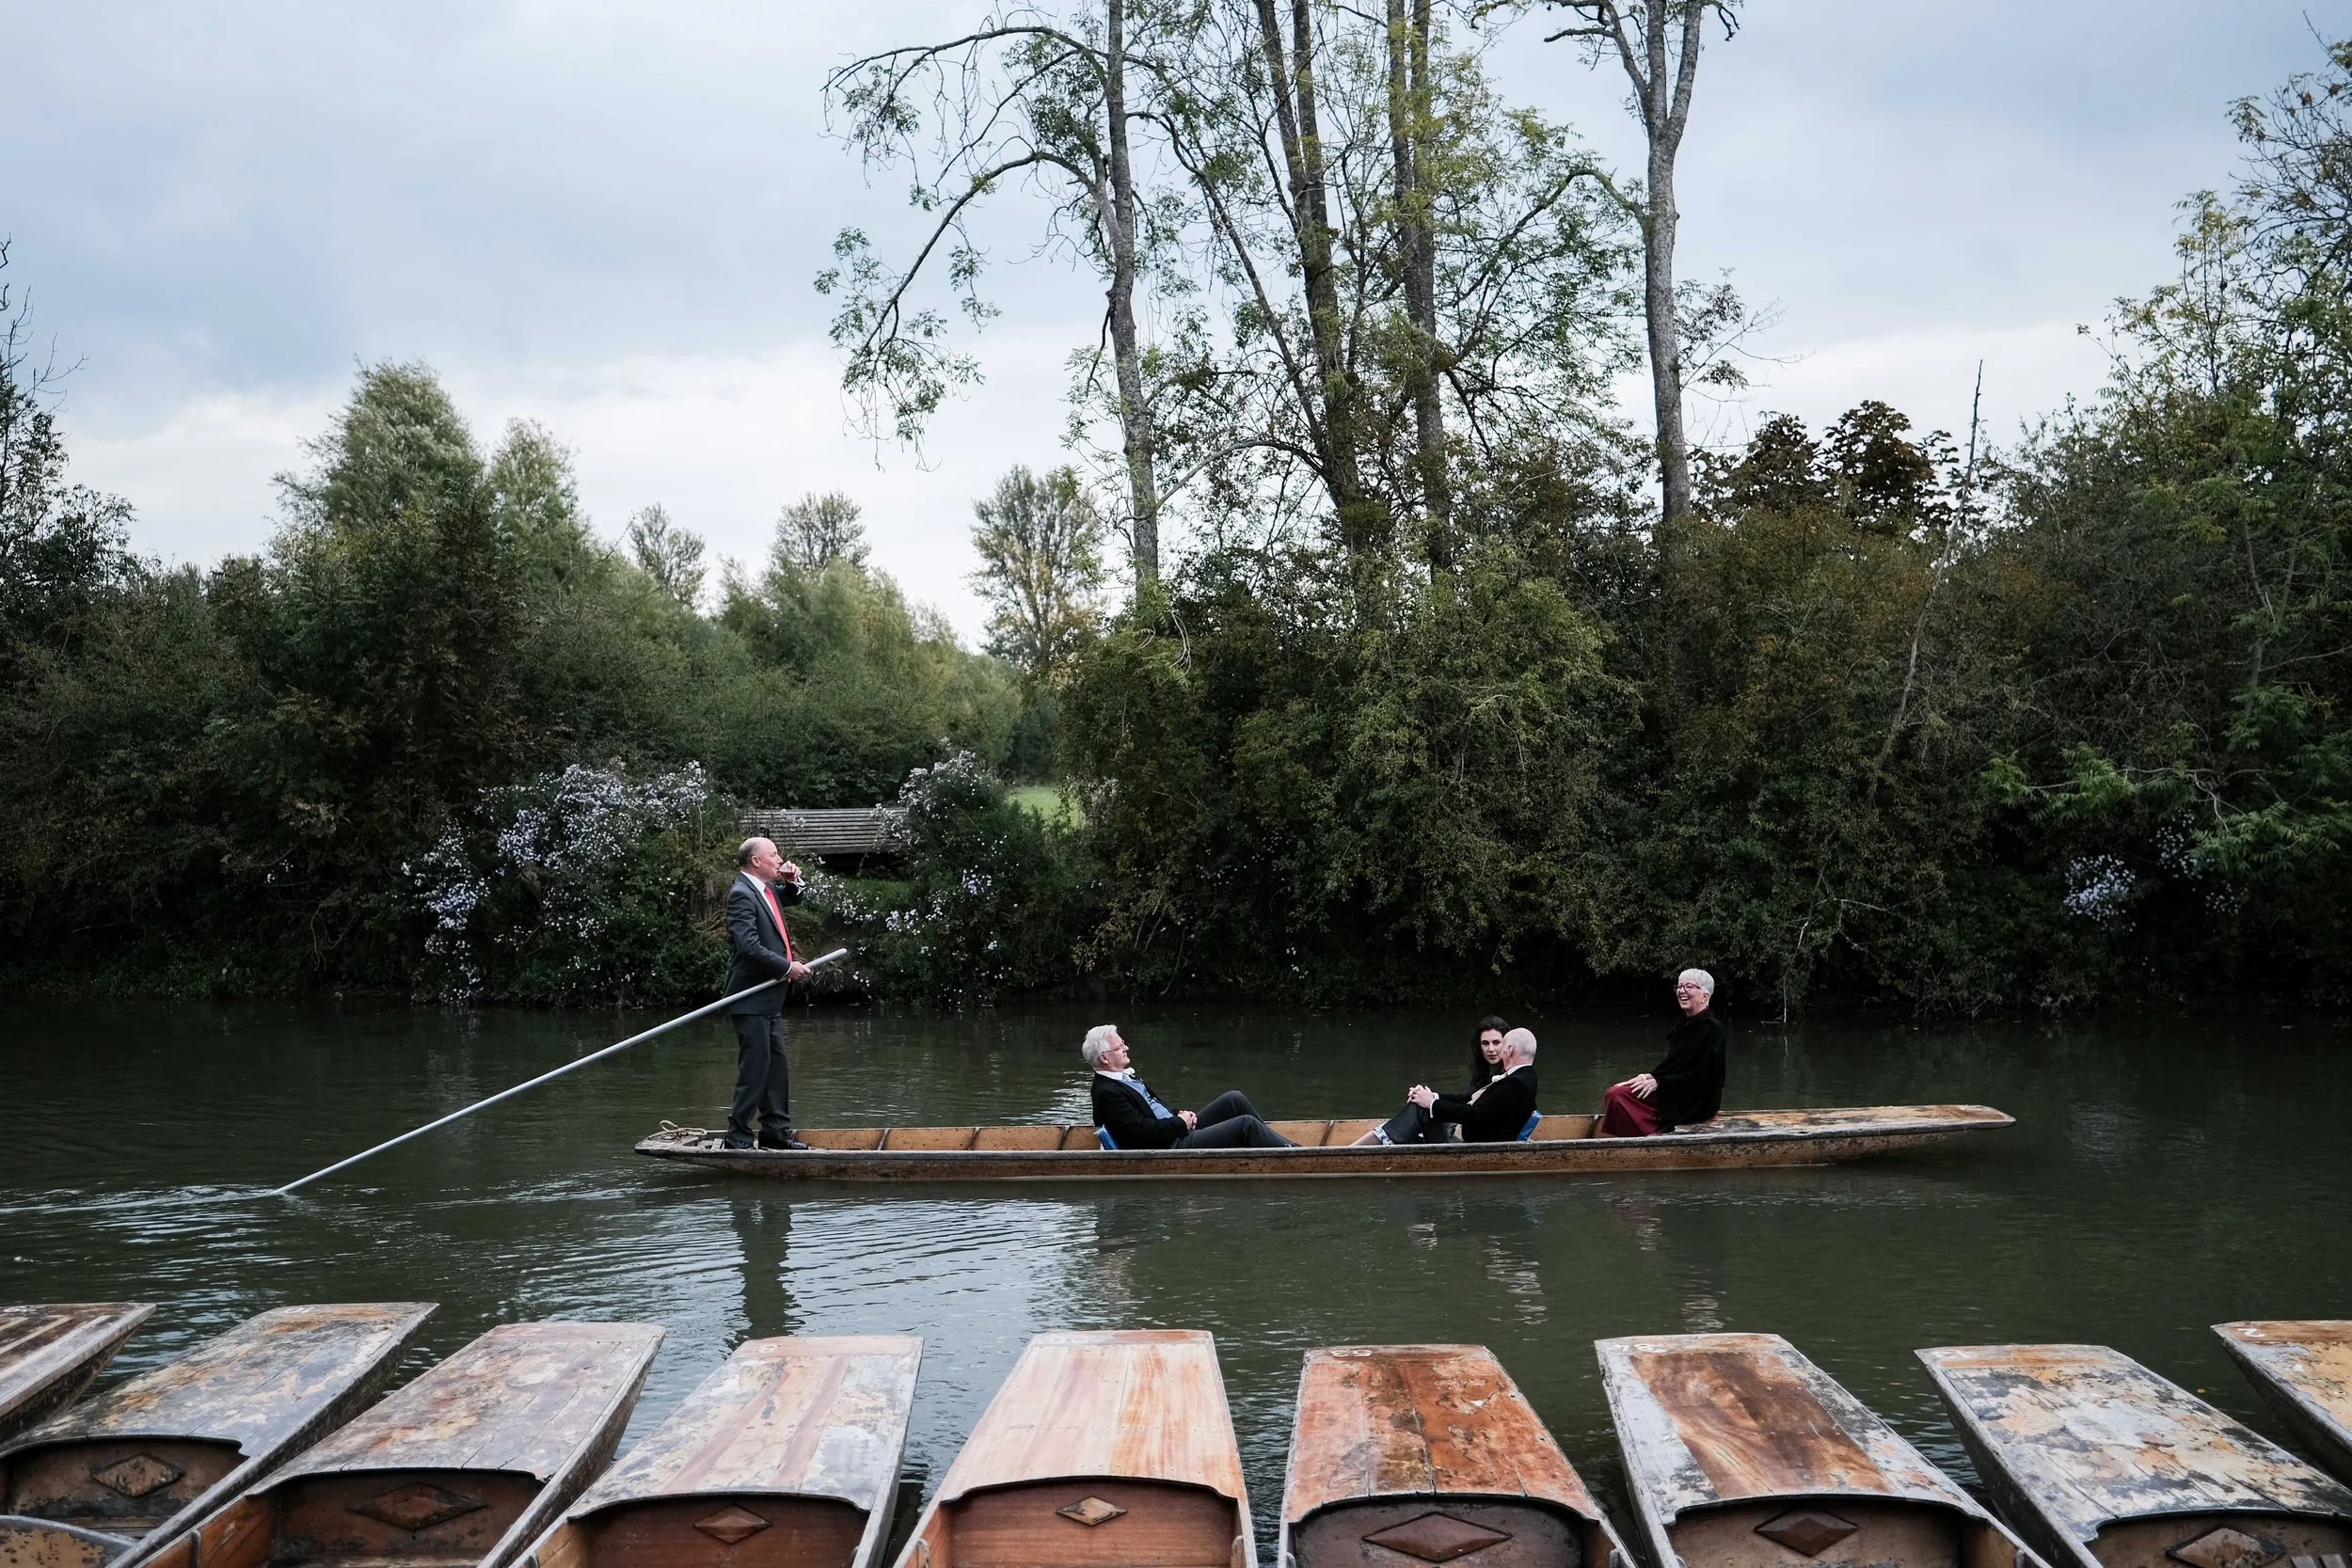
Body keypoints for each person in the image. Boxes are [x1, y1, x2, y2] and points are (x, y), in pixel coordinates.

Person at [721, 837, 813, 1150]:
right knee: (756, 1068)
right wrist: (787, 967)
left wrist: (795, 881)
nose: (780, 858)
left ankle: (776, 1132)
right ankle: (737, 1135)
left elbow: (795, 897)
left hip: (770, 998)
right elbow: (748, 947)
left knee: (776, 1068)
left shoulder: (767, 890)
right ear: (756, 861)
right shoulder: (741, 894)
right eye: (773, 854)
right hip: (749, 996)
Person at [1084, 1026, 1295, 1149]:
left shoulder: (1121, 1079)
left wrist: (1180, 1114)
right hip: (1171, 1145)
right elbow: (1139, 1133)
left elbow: (1152, 1107)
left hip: (1176, 1130)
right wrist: (1179, 1124)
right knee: (1245, 1125)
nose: (1126, 1048)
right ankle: (1291, 1154)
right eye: (1120, 1046)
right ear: (1104, 1057)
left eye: (1123, 1043)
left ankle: (1285, 1148)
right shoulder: (1107, 1092)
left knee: (1234, 1099)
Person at [1599, 969, 1729, 1136]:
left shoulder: (1711, 1028)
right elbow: (1674, 1066)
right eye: (1680, 986)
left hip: (1697, 1101)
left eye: (1689, 986)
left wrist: (1660, 1082)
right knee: (1615, 1093)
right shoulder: (1684, 1025)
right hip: (1675, 1088)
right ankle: (1637, 1138)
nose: (1682, 991)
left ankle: (1650, 1136)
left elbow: (1702, 1076)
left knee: (1617, 1096)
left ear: (1705, 996)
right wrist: (1647, 1077)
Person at [1357, 1026, 1540, 1145]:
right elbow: (1469, 1099)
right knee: (1421, 1106)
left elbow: (1476, 1115)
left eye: (1501, 1045)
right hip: (1474, 1134)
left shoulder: (1515, 1083)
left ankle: (1353, 1150)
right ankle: (1366, 1147)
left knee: (1420, 1110)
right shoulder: (1522, 1077)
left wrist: (1431, 1105)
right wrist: (1433, 1097)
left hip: (1471, 1144)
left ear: (1509, 1050)